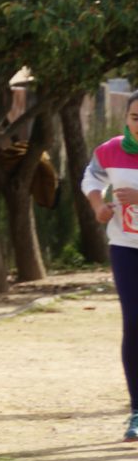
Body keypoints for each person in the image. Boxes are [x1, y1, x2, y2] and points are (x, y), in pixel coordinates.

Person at [81, 95, 138, 442]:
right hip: (126, 248)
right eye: (135, 117)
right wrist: (98, 205)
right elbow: (91, 177)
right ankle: (137, 410)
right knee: (134, 323)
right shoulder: (111, 150)